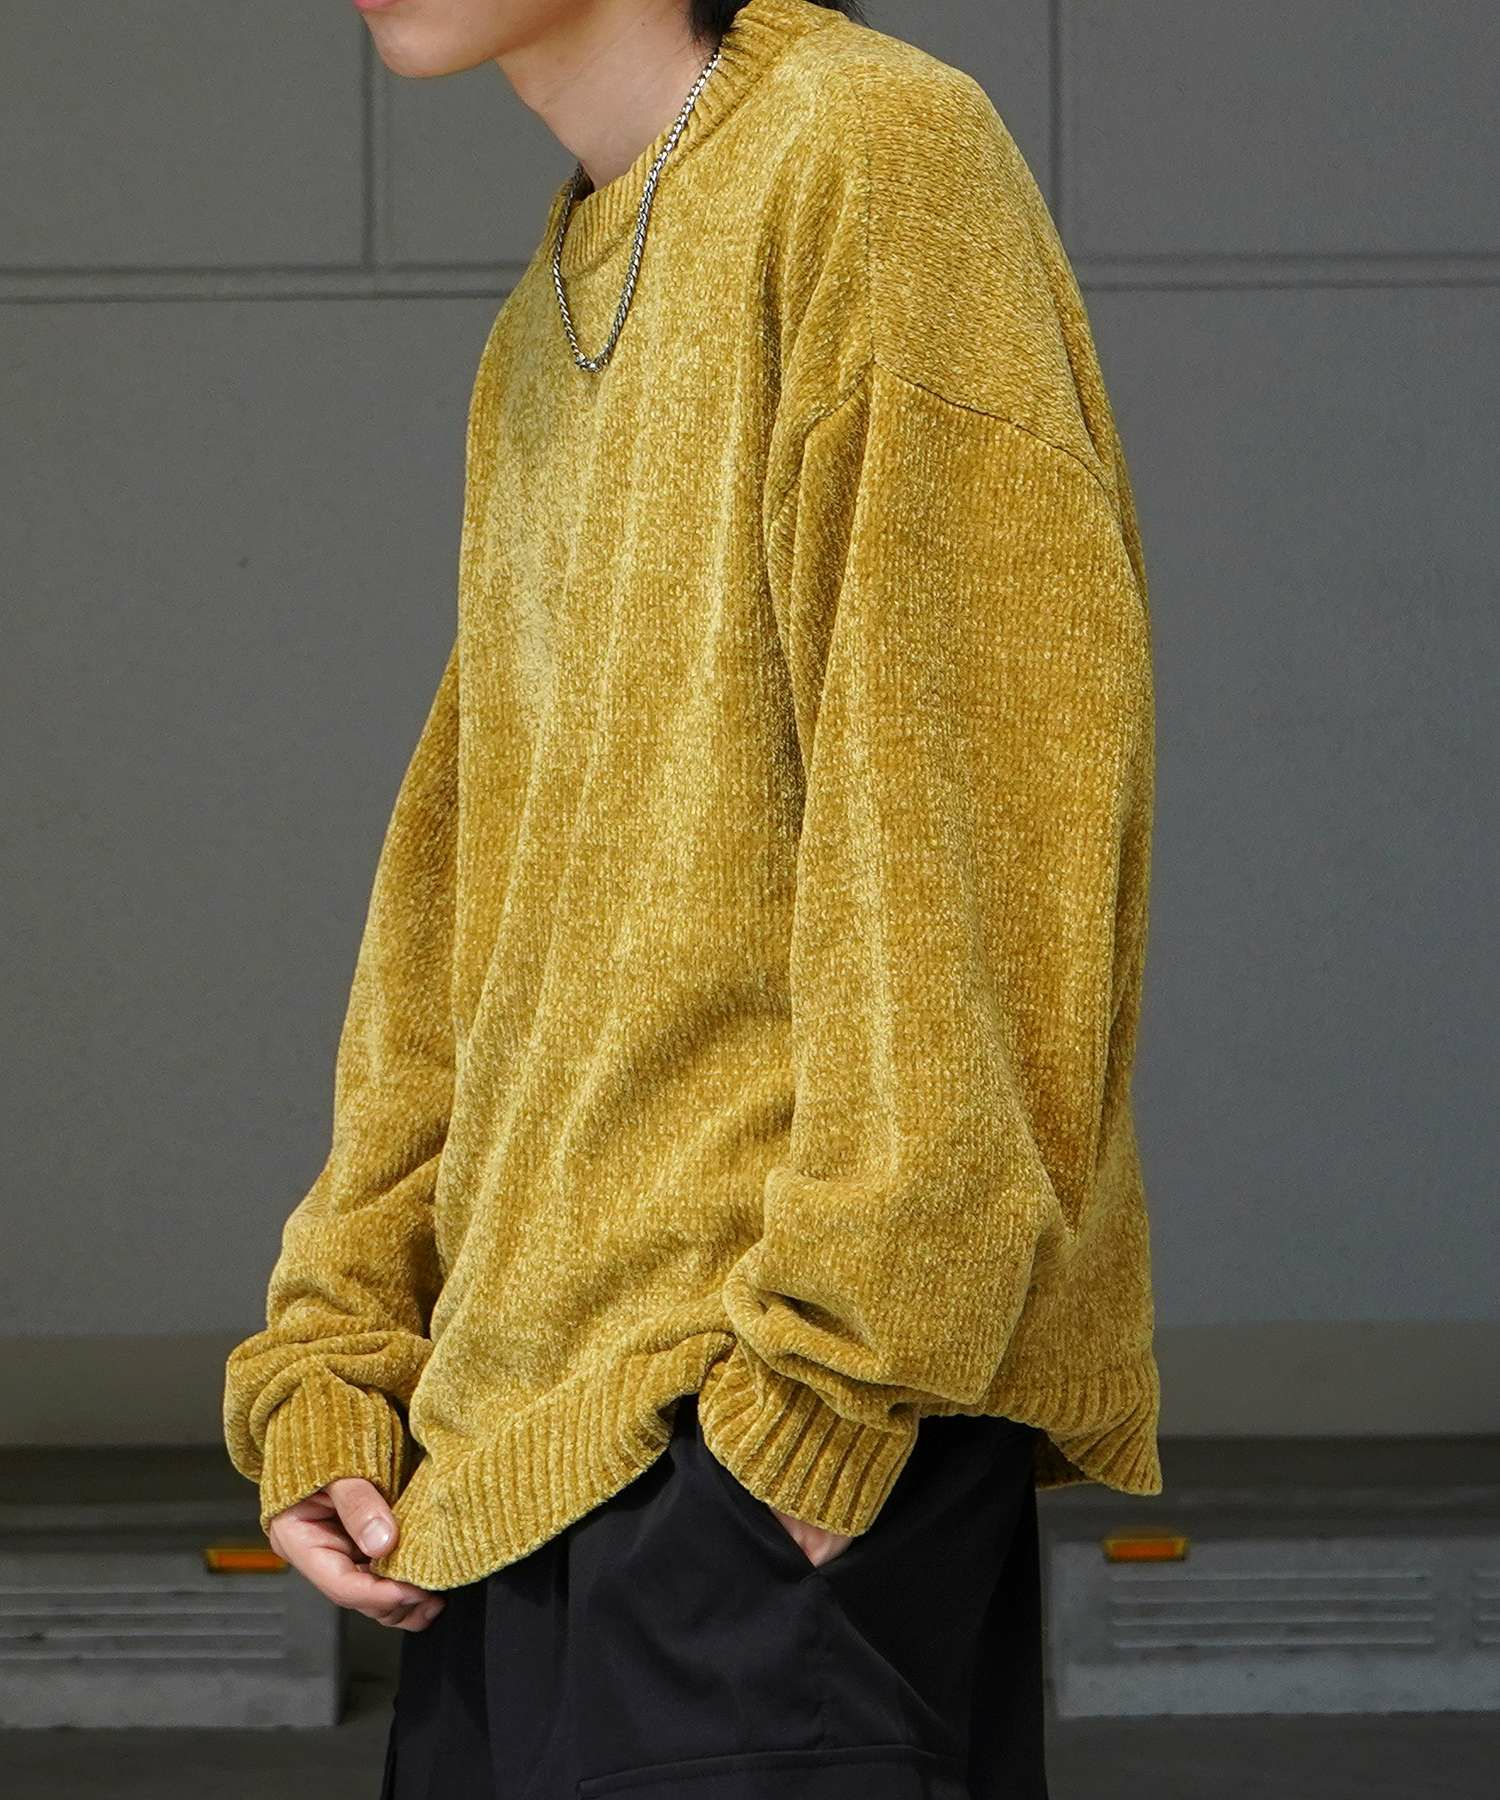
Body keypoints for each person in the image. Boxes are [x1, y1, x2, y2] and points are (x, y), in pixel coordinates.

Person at [222, 1, 1163, 1793]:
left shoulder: (869, 152)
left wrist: (822, 1408)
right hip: (501, 1470)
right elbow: (470, 891)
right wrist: (343, 1346)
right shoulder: (551, 304)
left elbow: (989, 811)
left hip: (756, 1459)